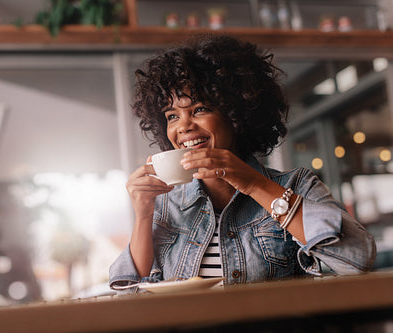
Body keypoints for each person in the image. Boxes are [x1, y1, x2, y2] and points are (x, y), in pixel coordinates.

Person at [109, 34, 376, 290]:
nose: (184, 127)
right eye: (172, 116)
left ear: (236, 114)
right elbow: (134, 294)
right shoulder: (165, 205)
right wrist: (143, 217)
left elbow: (357, 259)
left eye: (200, 109)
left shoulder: (297, 185)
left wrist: (253, 184)